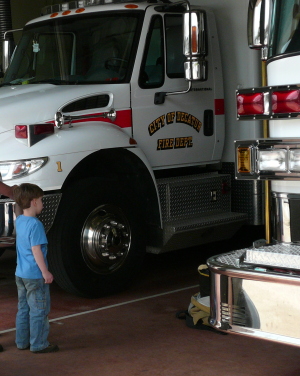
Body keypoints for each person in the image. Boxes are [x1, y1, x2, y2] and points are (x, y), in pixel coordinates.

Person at [13, 183, 59, 354]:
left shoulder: (21, 220)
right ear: (33, 202)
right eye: (41, 200)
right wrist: (45, 272)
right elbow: (36, 250)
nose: (43, 204)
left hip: (20, 274)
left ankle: (22, 341)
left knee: (23, 308)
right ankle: (38, 344)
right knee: (39, 310)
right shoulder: (36, 224)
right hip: (34, 275)